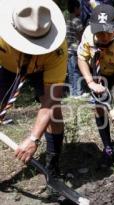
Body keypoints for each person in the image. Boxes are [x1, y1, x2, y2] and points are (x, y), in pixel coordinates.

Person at [0, 0, 67, 177]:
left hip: (42, 69)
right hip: (7, 66)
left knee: (55, 112)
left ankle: (53, 166)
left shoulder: (58, 49)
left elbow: (50, 100)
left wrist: (33, 138)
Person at [77, 4, 114, 167]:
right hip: (98, 74)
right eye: (98, 32)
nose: (102, 36)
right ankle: (108, 146)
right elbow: (81, 58)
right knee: (99, 108)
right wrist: (90, 82)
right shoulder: (88, 34)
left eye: (106, 32)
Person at [66, 0, 84, 96]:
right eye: (79, 8)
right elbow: (81, 36)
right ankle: (78, 93)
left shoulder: (66, 18)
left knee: (71, 72)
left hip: (67, 48)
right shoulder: (76, 20)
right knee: (77, 70)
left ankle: (73, 92)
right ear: (76, 8)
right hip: (75, 48)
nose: (80, 10)